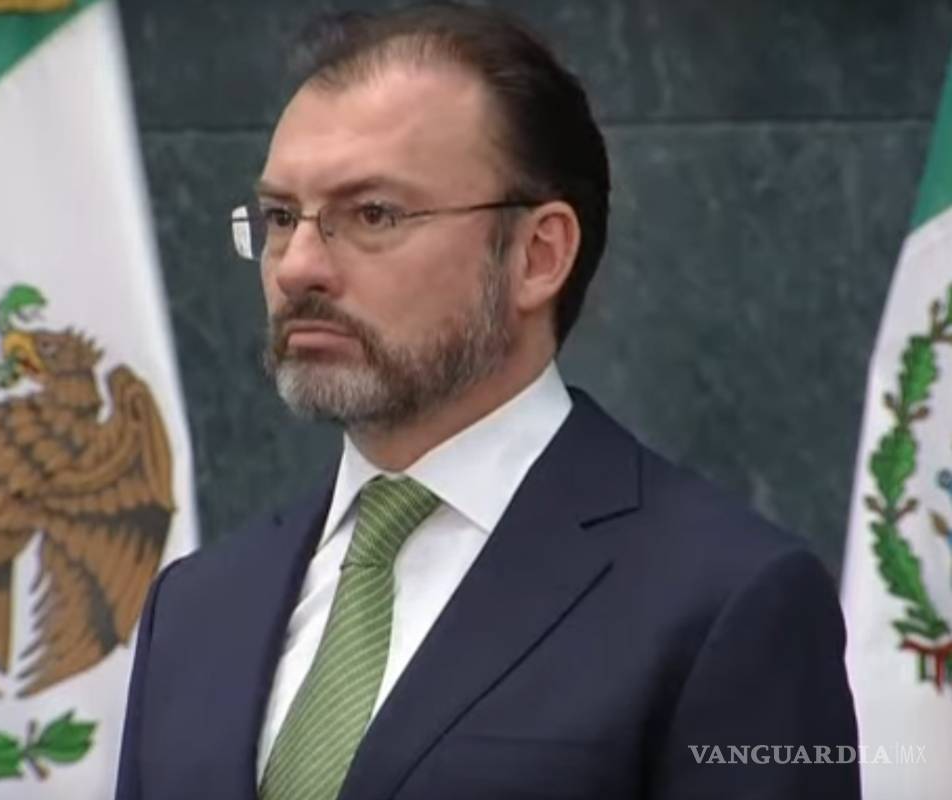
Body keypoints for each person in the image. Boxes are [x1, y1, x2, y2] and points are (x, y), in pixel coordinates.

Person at [115, 4, 859, 799]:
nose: (297, 267)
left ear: (538, 255)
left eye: (372, 214)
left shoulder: (726, 601)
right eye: (280, 217)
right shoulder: (195, 608)